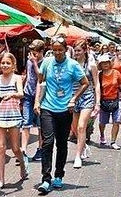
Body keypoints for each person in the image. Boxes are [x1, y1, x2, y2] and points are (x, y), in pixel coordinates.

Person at [34, 36, 89, 195]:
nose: (57, 53)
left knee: (61, 144)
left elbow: (85, 83)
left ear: (66, 50)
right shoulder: (46, 62)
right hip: (47, 108)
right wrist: (37, 101)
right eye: (55, 49)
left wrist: (74, 98)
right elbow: (41, 82)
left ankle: (59, 175)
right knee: (47, 142)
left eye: (60, 50)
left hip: (65, 110)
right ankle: (46, 179)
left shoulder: (72, 65)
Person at [0, 52, 26, 191]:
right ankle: (1, 180)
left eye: (8, 63)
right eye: (3, 63)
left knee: (15, 148)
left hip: (14, 115)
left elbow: (21, 94)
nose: (5, 65)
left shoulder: (17, 78)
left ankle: (22, 163)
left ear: (13, 65)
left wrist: (11, 95)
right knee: (1, 147)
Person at [70, 39, 100, 168]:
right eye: (75, 50)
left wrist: (97, 103)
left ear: (85, 51)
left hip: (87, 96)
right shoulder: (70, 64)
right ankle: (84, 145)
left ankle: (78, 156)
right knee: (75, 128)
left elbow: (97, 84)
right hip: (72, 97)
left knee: (82, 127)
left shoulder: (91, 65)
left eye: (79, 51)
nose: (76, 53)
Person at [97, 54, 121, 150]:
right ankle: (102, 135)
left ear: (110, 63)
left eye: (107, 63)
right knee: (102, 123)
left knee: (116, 122)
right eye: (103, 63)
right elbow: (96, 89)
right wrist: (96, 102)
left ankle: (113, 141)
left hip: (115, 100)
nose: (105, 65)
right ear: (100, 65)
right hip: (104, 102)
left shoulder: (116, 73)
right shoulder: (99, 75)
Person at [21, 40, 45, 165]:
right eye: (31, 52)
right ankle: (23, 150)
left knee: (41, 124)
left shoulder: (45, 62)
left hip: (40, 96)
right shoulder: (29, 61)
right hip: (27, 94)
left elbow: (40, 77)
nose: (32, 55)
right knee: (26, 122)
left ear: (41, 52)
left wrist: (35, 63)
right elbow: (29, 76)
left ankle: (40, 149)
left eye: (35, 53)